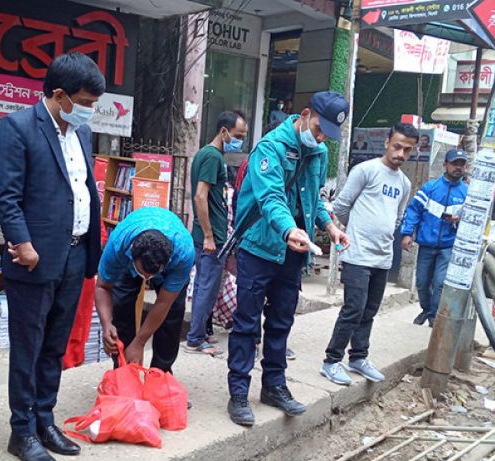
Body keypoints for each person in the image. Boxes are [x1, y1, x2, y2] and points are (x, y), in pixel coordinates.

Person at [0, 52, 103, 461]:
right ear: (58, 95)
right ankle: (21, 431)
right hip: (34, 259)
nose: (90, 111)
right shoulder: (18, 128)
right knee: (28, 347)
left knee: (55, 345)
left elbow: (82, 190)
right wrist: (22, 243)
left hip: (75, 253)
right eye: (85, 102)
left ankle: (44, 419)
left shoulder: (82, 134)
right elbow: (7, 195)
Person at [226, 91, 350, 427]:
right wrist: (287, 230)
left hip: (295, 250)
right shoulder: (270, 148)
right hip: (261, 246)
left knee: (281, 321)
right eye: (318, 129)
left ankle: (274, 386)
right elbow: (271, 198)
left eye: (327, 135)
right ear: (305, 114)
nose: (321, 138)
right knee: (247, 322)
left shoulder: (319, 152)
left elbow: (315, 199)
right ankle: (238, 391)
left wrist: (330, 227)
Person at [319, 123, 417, 386]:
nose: (401, 153)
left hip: (382, 257)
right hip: (357, 254)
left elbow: (397, 218)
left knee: (370, 310)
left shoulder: (405, 183)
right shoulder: (365, 170)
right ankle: (331, 361)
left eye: (407, 149)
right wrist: (358, 230)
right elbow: (341, 207)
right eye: (397, 146)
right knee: (353, 308)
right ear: (387, 142)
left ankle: (358, 357)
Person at [95, 207, 194, 369]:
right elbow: (102, 287)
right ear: (132, 255)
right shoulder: (118, 244)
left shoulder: (183, 253)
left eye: (152, 274)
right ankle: (123, 368)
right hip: (128, 261)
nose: (147, 279)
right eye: (143, 273)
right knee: (121, 307)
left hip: (171, 262)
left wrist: (140, 343)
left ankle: (160, 372)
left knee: (172, 313)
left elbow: (163, 303)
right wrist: (106, 325)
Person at [184, 110, 248, 357]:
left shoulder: (209, 155)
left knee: (204, 286)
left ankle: (199, 334)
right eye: (238, 135)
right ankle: (195, 339)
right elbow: (201, 196)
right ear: (224, 131)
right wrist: (210, 236)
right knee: (206, 288)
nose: (240, 140)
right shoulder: (211, 157)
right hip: (210, 239)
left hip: (212, 236)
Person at [401, 149, 470, 327]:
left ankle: (433, 316)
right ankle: (427, 309)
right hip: (427, 244)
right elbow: (413, 210)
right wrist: (408, 233)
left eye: (462, 164)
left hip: (449, 246)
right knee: (422, 282)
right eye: (455, 163)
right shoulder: (430, 188)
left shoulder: (467, 194)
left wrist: (460, 220)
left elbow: (473, 222)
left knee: (440, 283)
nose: (458, 168)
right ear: (445, 164)